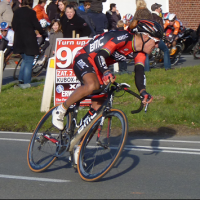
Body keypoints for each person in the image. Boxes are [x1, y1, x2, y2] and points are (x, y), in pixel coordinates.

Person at [52, 20, 163, 132]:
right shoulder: (122, 38)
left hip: (100, 66)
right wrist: (106, 72)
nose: (158, 45)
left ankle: (79, 144)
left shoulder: (140, 53)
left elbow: (139, 72)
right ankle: (60, 110)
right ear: (145, 37)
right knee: (92, 85)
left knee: (97, 112)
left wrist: (143, 91)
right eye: (156, 41)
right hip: (85, 57)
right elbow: (99, 56)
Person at [12, 0, 45, 84]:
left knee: (25, 59)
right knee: (29, 60)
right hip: (29, 39)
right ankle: (26, 82)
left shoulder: (17, 12)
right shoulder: (31, 12)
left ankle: (21, 79)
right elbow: (36, 25)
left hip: (19, 39)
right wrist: (42, 32)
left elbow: (13, 25)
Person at [129, 0, 153, 72]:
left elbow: (133, 23)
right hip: (148, 33)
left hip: (140, 33)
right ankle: (147, 69)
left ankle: (140, 68)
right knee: (146, 51)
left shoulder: (138, 12)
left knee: (139, 51)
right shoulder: (148, 12)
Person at [151, 3, 171, 71]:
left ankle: (146, 69)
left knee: (146, 53)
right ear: (156, 9)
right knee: (165, 50)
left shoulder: (148, 17)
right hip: (156, 38)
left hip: (149, 37)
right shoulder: (158, 18)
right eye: (159, 8)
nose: (160, 9)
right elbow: (161, 29)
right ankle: (167, 67)